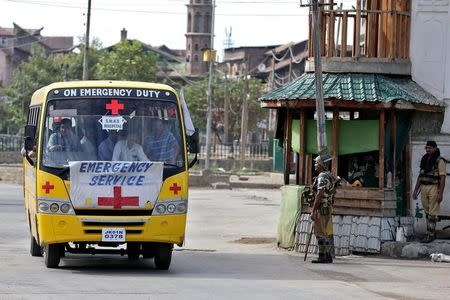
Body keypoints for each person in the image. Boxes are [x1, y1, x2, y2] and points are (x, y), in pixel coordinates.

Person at [413, 141, 446, 243]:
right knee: (427, 212)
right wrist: (415, 190)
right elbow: (420, 176)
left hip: (434, 187)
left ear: (435, 148)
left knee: (432, 213)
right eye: (427, 148)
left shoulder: (439, 160)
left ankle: (431, 235)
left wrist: (440, 193)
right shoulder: (424, 159)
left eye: (430, 148)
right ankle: (429, 233)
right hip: (424, 187)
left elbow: (442, 178)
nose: (428, 150)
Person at [311, 154, 336, 264]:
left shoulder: (322, 177)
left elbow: (319, 194)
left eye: (316, 163)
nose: (315, 165)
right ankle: (328, 256)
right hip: (328, 208)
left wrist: (313, 210)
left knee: (320, 233)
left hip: (322, 208)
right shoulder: (329, 175)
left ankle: (322, 256)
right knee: (325, 233)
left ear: (321, 165)